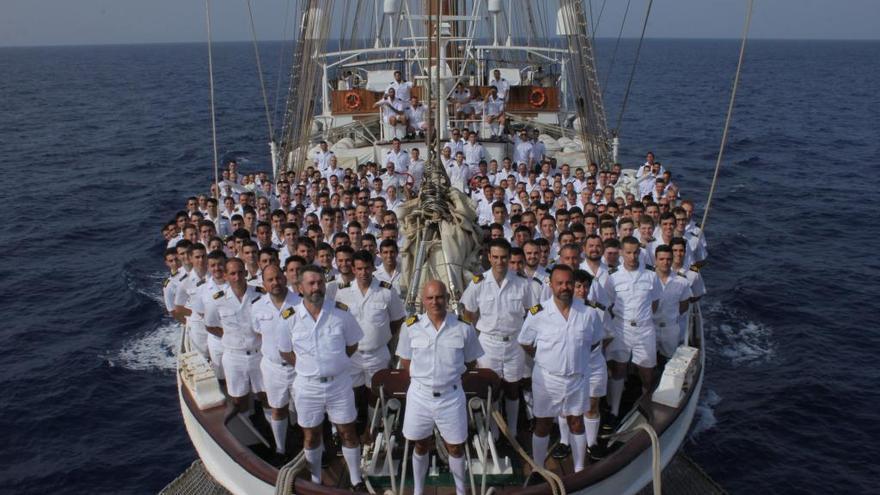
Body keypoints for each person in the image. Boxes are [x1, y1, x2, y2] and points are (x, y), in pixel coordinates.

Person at [397, 280, 484, 495]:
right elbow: (407, 361)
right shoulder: (410, 327)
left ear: (447, 298)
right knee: (420, 444)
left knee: (455, 447)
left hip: (451, 397)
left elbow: (470, 361)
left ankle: (461, 490)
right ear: (423, 301)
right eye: (430, 298)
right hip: (420, 396)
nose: (435, 302)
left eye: (439, 297)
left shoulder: (464, 328)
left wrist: (449, 377)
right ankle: (418, 490)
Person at [284, 265, 365, 488]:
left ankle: (356, 479)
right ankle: (316, 478)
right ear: (300, 287)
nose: (316, 288)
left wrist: (334, 364)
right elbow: (284, 350)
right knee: (311, 436)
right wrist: (307, 367)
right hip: (308, 386)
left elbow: (352, 344)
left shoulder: (341, 313)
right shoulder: (289, 318)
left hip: (339, 384)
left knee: (348, 431)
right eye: (311, 283)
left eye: (320, 282)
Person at [518, 265, 602, 472]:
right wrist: (546, 359)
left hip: (577, 379)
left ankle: (580, 469)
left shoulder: (589, 313)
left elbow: (594, 341)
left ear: (573, 285)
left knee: (576, 423)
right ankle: (538, 468)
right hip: (547, 380)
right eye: (560, 283)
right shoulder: (538, 313)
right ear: (551, 285)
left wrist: (575, 357)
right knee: (543, 424)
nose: (565, 287)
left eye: (568, 283)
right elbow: (525, 341)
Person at [460, 239, 534, 433]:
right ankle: (492, 431)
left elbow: (531, 314)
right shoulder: (478, 283)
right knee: (489, 390)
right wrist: (471, 345)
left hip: (514, 343)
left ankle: (512, 431)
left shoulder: (522, 283)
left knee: (512, 388)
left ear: (509, 258)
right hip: (487, 344)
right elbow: (468, 315)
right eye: (495, 257)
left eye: (503, 257)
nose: (499, 262)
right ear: (489, 257)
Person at [335, 250, 406, 419]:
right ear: (353, 269)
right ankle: (355, 423)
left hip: (377, 353)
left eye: (367, 268)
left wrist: (382, 335)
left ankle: (371, 429)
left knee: (376, 393)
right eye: (359, 269)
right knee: (351, 392)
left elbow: (397, 319)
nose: (363, 273)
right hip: (352, 354)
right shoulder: (342, 292)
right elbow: (339, 322)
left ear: (373, 268)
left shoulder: (386, 291)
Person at [603, 236, 662, 426]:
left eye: (635, 252)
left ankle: (648, 407)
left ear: (640, 252)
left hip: (644, 329)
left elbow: (654, 303)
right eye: (628, 252)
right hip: (621, 328)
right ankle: (614, 410)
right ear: (621, 253)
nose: (632, 256)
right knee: (619, 368)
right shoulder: (613, 278)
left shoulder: (651, 275)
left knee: (647, 371)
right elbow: (609, 304)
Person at [204, 258, 266, 415]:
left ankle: (271, 428)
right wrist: (231, 337)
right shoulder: (217, 300)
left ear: (245, 273)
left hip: (259, 354)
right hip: (234, 357)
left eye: (240, 272)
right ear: (225, 276)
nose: (237, 277)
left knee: (266, 396)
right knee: (239, 400)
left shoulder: (260, 295)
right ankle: (250, 427)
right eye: (232, 273)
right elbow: (210, 325)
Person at [251, 264, 301, 457]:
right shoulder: (256, 307)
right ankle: (280, 448)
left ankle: (312, 446)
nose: (275, 283)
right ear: (263, 283)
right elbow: (257, 330)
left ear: (285, 278)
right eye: (270, 280)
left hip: (298, 368)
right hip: (273, 368)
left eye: (278, 278)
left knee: (305, 410)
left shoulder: (300, 303)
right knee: (277, 409)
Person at [652, 245, 691, 360]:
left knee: (670, 360)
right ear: (656, 260)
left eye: (669, 259)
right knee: (647, 361)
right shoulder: (647, 279)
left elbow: (683, 306)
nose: (666, 262)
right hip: (650, 327)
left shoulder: (682, 282)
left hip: (671, 328)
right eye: (662, 259)